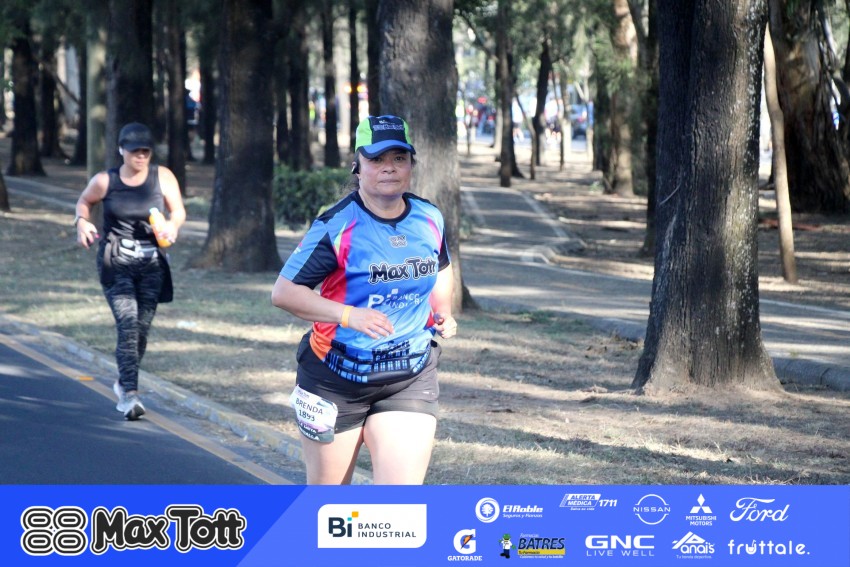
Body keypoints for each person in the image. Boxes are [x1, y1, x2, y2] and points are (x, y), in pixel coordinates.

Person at [271, 115, 457, 484]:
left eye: (399, 158)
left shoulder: (428, 217)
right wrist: (347, 315)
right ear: (357, 166)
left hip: (409, 375)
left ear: (411, 164)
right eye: (377, 159)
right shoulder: (336, 226)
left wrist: (443, 311)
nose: (389, 168)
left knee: (398, 503)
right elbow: (285, 293)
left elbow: (441, 267)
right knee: (329, 504)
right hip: (334, 378)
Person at [74, 122, 186, 420]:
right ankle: (130, 394)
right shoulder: (105, 180)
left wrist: (172, 226)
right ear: (121, 150)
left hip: (151, 264)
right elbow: (84, 202)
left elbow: (178, 211)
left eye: (145, 151)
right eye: (135, 151)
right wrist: (82, 222)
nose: (140, 156)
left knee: (141, 330)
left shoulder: (162, 177)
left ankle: (123, 381)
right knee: (127, 324)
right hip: (116, 262)